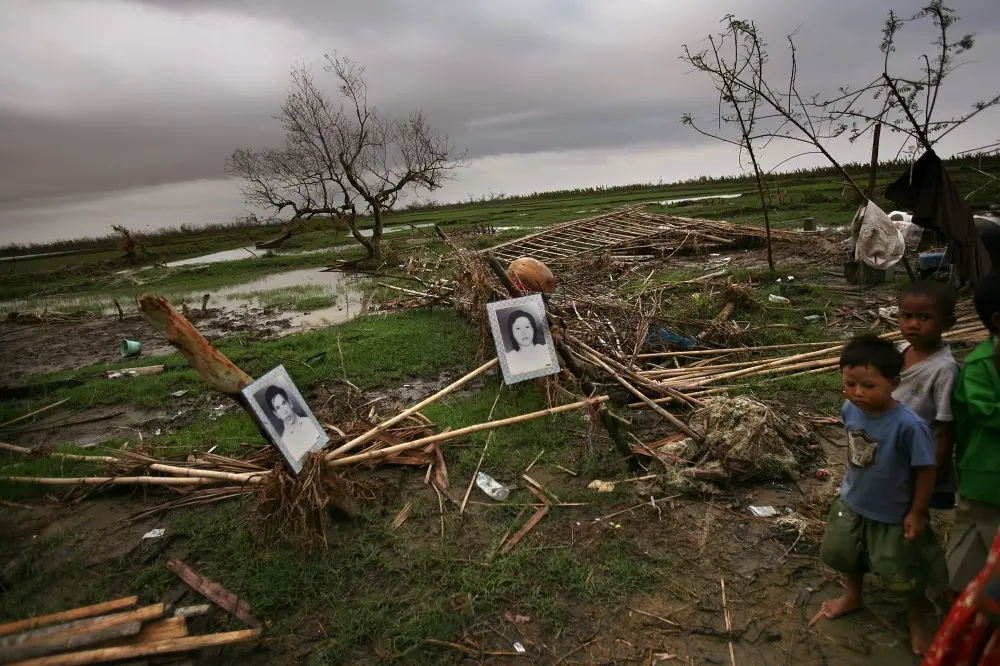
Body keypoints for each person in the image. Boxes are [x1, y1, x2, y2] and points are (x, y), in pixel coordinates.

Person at [818, 334, 947, 656]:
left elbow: (926, 469)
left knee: (903, 569)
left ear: (893, 383)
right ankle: (853, 594)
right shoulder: (850, 408)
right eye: (850, 384)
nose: (857, 393)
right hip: (854, 500)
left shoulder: (909, 426)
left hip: (894, 512)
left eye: (868, 386)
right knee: (847, 552)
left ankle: (918, 618)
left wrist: (917, 512)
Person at [947, 272, 1000, 599]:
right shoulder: (980, 365)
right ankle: (958, 607)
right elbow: (988, 413)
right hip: (986, 476)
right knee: (973, 546)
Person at [893, 280, 960, 512]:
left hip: (923, 463)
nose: (913, 325)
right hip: (897, 458)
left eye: (924, 318)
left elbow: (945, 429)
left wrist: (933, 472)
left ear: (948, 323)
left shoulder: (944, 370)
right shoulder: (899, 351)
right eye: (906, 316)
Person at [263, 384, 322, 459]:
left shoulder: (310, 422)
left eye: (284, 403)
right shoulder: (285, 442)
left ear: (290, 403)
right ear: (276, 414)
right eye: (278, 408)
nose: (284, 411)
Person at [503, 309, 552, 375]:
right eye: (518, 328)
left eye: (527, 327)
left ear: (533, 329)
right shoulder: (509, 358)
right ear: (512, 333)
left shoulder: (546, 350)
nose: (523, 333)